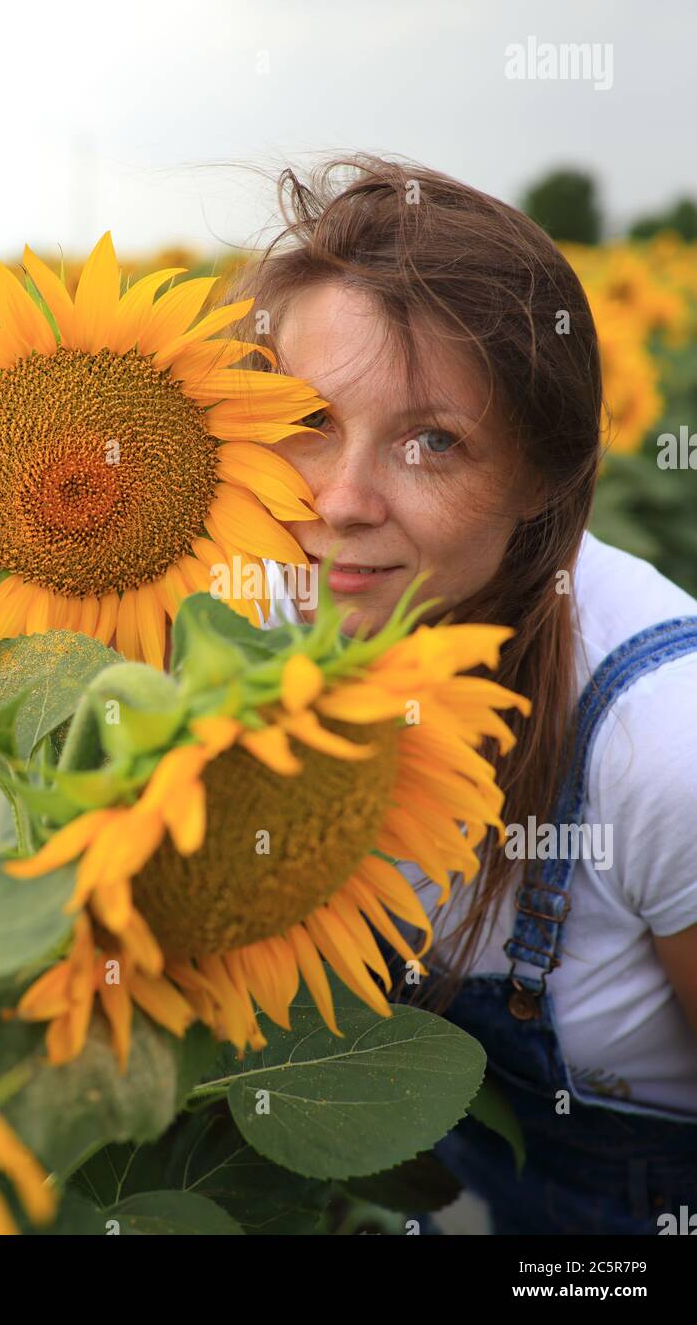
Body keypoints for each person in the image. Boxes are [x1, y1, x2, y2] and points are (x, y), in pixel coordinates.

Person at [221, 153, 697, 1235]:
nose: (341, 501)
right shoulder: (245, 643)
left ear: (542, 475)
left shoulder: (661, 741)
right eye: (305, 422)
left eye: (429, 441)